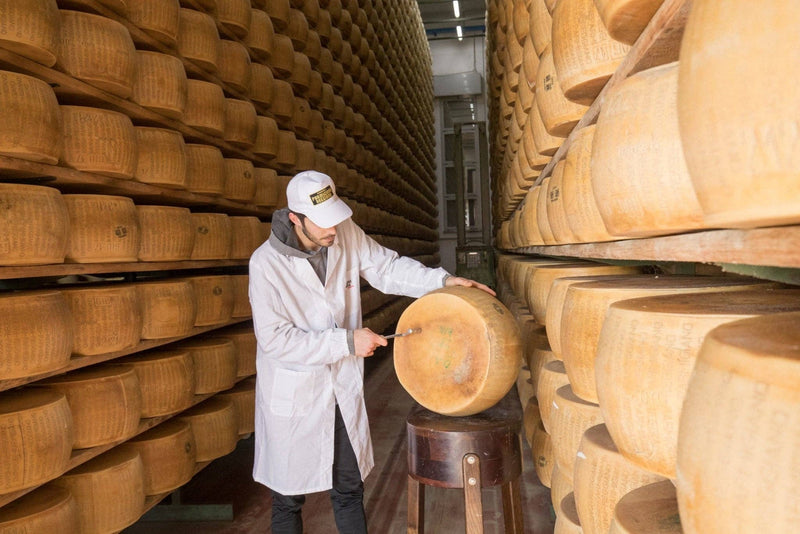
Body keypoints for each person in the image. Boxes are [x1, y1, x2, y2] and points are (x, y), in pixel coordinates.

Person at [248, 170, 494, 533]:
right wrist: (346, 342)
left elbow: (387, 269)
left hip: (340, 390)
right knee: (287, 499)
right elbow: (276, 340)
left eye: (335, 219)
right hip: (295, 395)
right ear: (295, 219)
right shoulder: (265, 264)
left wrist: (442, 281)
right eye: (323, 224)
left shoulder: (343, 234)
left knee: (349, 488)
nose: (333, 230)